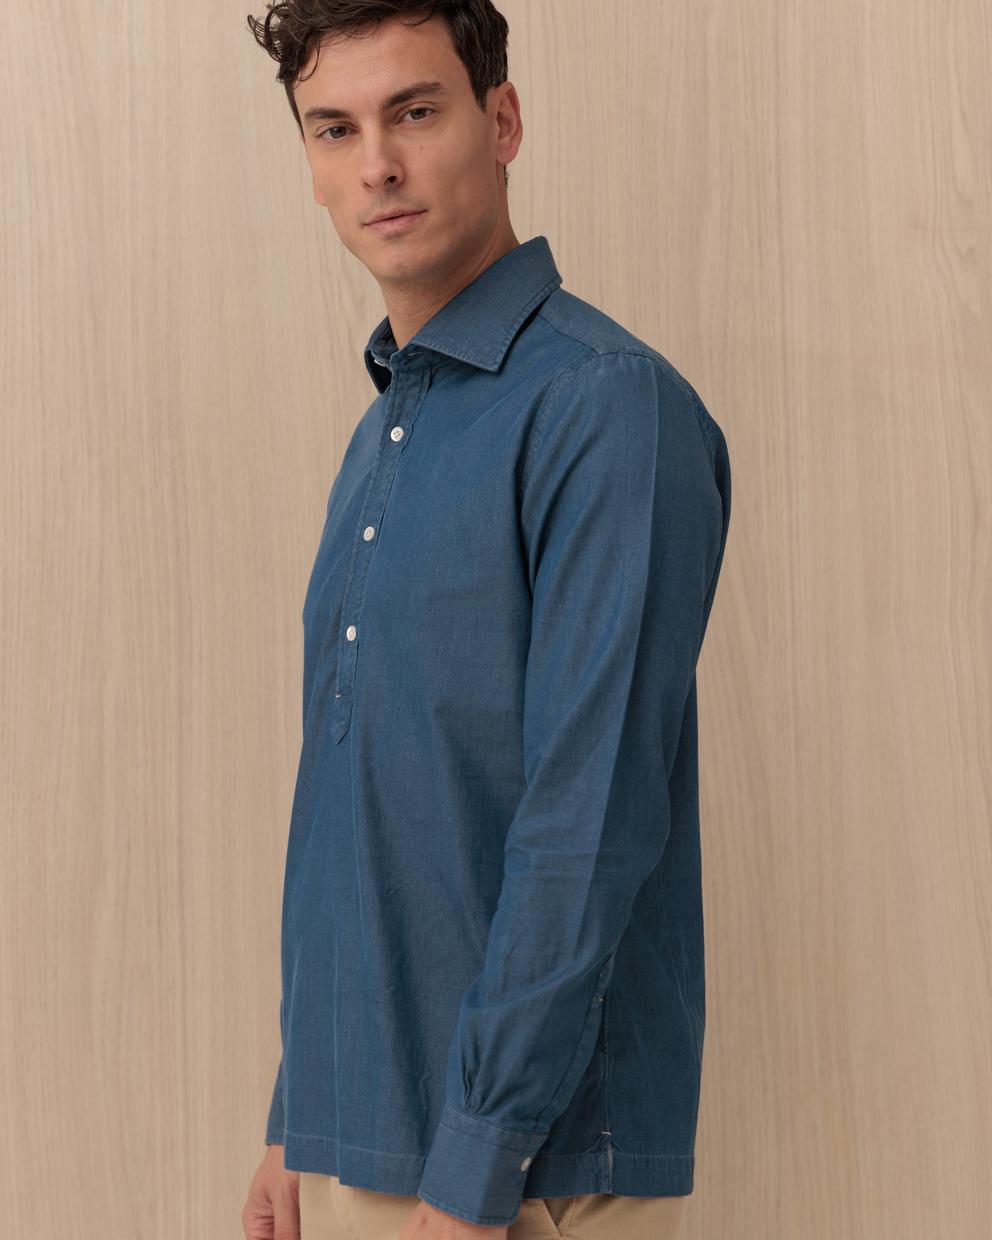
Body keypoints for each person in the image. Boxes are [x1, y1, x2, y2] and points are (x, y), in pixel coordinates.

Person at [241, 3, 732, 1238]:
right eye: (334, 129)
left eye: (413, 112)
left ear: (500, 120)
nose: (376, 165)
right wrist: (300, 1110)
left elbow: (589, 816)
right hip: (372, 1137)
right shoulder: (382, 436)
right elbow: (359, 807)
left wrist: (474, 1170)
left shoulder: (605, 406)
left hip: (521, 1170)